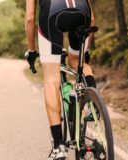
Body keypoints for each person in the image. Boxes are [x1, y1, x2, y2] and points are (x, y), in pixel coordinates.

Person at [24, 0, 97, 159]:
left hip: (53, 12)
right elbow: (92, 19)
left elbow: (30, 18)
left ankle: (58, 146)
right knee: (79, 62)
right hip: (82, 13)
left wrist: (31, 50)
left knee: (51, 79)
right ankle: (94, 104)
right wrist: (86, 50)